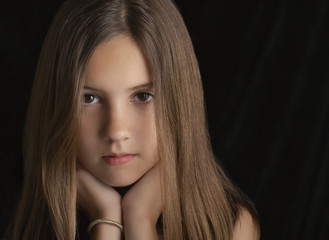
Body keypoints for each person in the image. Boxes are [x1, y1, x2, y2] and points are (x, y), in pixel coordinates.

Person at [5, 0, 259, 239]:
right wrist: (105, 222)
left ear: (180, 102)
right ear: (55, 105)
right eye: (89, 98)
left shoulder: (227, 226)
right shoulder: (21, 224)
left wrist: (140, 219)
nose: (116, 131)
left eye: (143, 96)